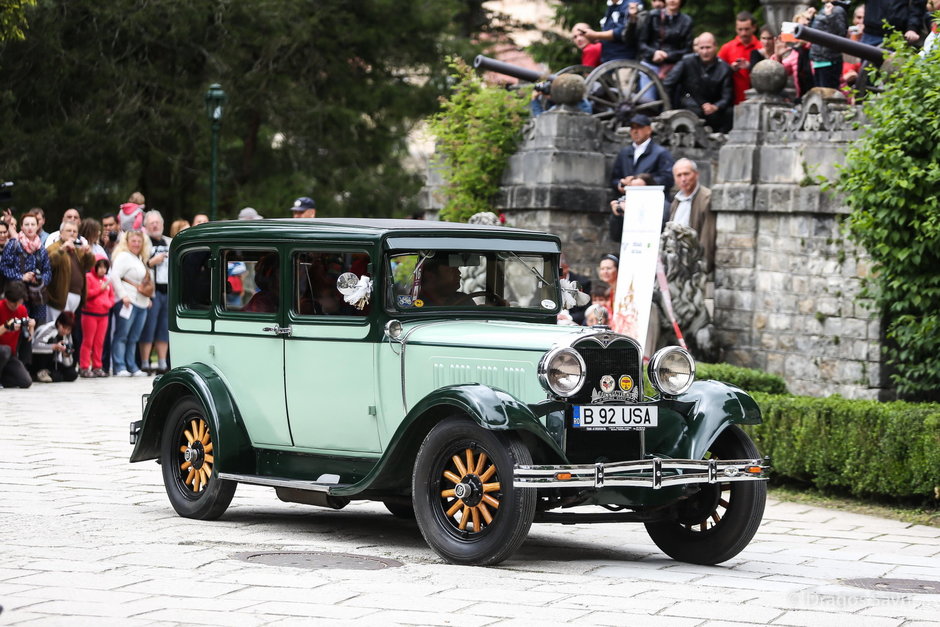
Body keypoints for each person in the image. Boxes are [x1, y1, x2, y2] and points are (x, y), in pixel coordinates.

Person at [663, 32, 734, 133]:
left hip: (714, 109)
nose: (705, 52)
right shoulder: (687, 61)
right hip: (691, 105)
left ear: (715, 47)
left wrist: (715, 106)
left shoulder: (724, 68)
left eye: (708, 47)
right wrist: (668, 108)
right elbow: (668, 84)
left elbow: (727, 96)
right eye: (702, 48)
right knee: (692, 110)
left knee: (730, 113)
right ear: (697, 48)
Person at [109, 229, 152, 377]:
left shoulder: (138, 258)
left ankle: (132, 366)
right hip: (128, 302)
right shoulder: (123, 256)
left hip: (141, 303)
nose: (136, 244)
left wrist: (147, 300)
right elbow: (114, 276)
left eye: (139, 241)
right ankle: (119, 366)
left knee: (134, 337)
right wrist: (123, 296)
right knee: (122, 335)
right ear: (127, 242)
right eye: (133, 241)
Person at [0, 211, 53, 324]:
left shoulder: (41, 248)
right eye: (27, 224)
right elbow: (4, 267)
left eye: (33, 224)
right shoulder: (13, 245)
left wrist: (39, 279)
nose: (30, 227)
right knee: (18, 328)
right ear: (21, 227)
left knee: (37, 328)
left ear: (37, 226)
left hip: (37, 297)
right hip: (18, 295)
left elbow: (48, 271)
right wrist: (21, 276)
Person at [669, 158, 716, 273]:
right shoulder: (676, 201)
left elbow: (708, 236)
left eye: (686, 174)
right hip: (675, 263)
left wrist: (703, 266)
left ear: (696, 174)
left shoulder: (706, 199)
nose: (683, 179)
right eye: (678, 175)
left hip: (694, 264)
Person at [610, 114, 676, 195]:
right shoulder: (624, 153)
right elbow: (615, 178)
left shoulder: (661, 153)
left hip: (651, 200)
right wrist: (620, 184)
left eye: (639, 127)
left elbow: (669, 179)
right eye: (632, 128)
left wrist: (645, 182)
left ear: (649, 130)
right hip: (627, 200)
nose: (635, 131)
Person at [46, 220, 94, 330]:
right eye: (68, 230)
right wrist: (62, 249)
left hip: (76, 295)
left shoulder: (78, 249)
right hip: (59, 295)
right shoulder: (53, 247)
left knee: (68, 327)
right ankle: (53, 346)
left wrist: (88, 254)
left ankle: (65, 346)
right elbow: (48, 264)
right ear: (61, 233)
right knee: (56, 327)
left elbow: (89, 266)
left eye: (75, 231)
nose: (72, 233)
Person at [139, 210, 171, 374]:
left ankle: (162, 363)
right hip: (151, 291)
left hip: (168, 290)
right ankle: (145, 362)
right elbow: (136, 267)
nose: (155, 225)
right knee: (149, 327)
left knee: (164, 328)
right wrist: (152, 262)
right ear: (145, 226)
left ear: (163, 224)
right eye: (151, 223)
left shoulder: (170, 242)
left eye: (157, 222)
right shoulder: (143, 244)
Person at [638, 0, 694, 78]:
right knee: (648, 89)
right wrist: (654, 53)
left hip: (674, 68)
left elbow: (688, 49)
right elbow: (641, 43)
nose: (672, 0)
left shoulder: (686, 21)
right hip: (650, 64)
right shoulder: (652, 16)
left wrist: (667, 55)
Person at [79, 258, 114, 378]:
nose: (102, 269)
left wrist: (107, 305)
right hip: (90, 315)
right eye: (100, 266)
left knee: (99, 343)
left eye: (105, 267)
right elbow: (87, 294)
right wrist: (100, 289)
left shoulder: (106, 280)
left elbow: (111, 297)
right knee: (88, 342)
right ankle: (84, 367)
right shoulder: (88, 277)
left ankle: (97, 366)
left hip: (103, 315)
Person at [719, 11, 761, 105]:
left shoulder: (761, 47)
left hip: (757, 99)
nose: (743, 33)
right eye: (740, 29)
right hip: (732, 100)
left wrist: (750, 66)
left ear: (754, 28)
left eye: (747, 29)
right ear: (736, 29)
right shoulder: (727, 48)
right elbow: (717, 72)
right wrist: (731, 68)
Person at [0, 281, 35, 388]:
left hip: (11, 356)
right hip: (2, 351)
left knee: (26, 382)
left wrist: (31, 326)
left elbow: (28, 338)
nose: (15, 305)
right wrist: (6, 327)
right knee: (5, 350)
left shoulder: (22, 310)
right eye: (12, 302)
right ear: (6, 298)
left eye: (18, 302)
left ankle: (2, 379)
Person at [808, 2, 849, 88]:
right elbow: (815, 33)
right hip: (818, 60)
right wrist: (811, 18)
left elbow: (841, 34)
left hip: (829, 60)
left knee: (828, 93)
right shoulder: (824, 8)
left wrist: (830, 16)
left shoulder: (838, 10)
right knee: (819, 92)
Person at [30, 311, 77, 383]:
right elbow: (33, 347)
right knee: (57, 377)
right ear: (58, 323)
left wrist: (66, 355)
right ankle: (39, 372)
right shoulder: (48, 329)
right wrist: (54, 347)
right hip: (38, 361)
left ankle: (49, 375)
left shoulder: (67, 335)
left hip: (52, 362)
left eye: (68, 329)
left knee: (72, 374)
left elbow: (68, 364)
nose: (65, 331)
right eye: (64, 327)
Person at [559, 253, 592, 325]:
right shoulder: (546, 282)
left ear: (566, 268)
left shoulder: (582, 283)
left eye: (558, 270)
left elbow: (586, 311)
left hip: (573, 323)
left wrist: (569, 317)